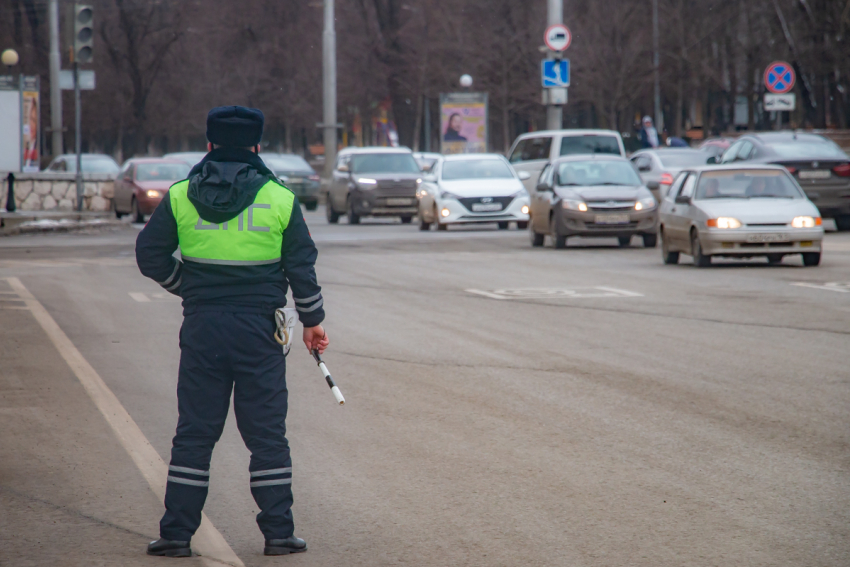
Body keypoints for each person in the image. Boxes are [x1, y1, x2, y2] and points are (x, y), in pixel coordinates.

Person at [136, 106, 328, 557]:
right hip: (259, 330)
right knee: (266, 435)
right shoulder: (280, 198)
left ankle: (177, 535)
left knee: (195, 433)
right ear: (256, 147)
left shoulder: (181, 195)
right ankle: (279, 534)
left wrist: (188, 287)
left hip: (203, 327)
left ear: (209, 145)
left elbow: (150, 256)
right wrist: (313, 321)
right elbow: (301, 267)